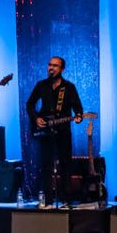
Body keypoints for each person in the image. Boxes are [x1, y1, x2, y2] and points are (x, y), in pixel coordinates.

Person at [26, 56, 83, 206]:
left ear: (62, 69)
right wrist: (36, 118)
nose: (51, 68)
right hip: (45, 131)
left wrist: (78, 116)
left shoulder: (69, 87)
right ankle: (48, 201)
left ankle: (66, 200)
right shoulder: (41, 85)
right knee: (46, 166)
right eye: (50, 65)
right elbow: (30, 104)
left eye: (55, 66)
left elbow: (78, 107)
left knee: (65, 165)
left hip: (63, 131)